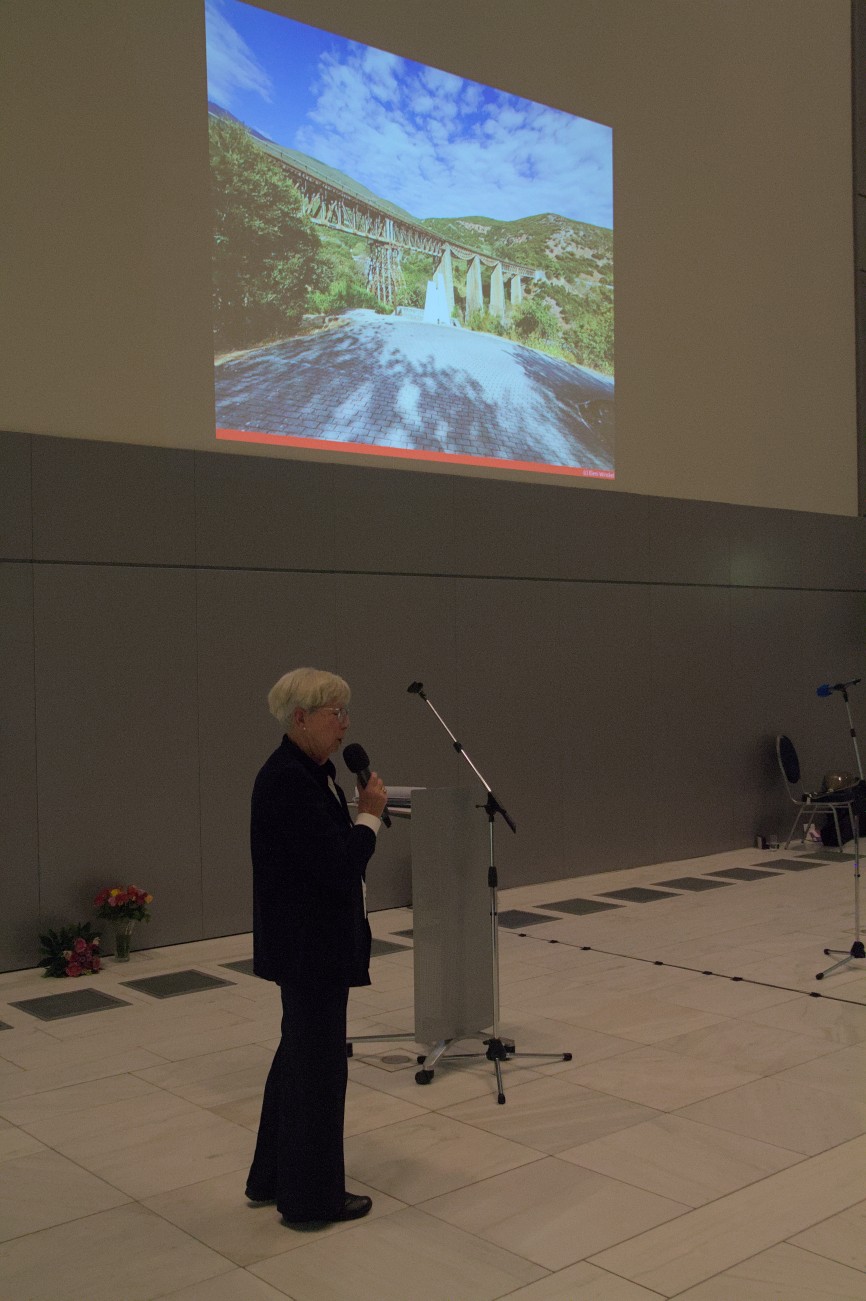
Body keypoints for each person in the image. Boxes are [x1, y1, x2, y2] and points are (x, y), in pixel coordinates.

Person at [245, 667, 387, 1224]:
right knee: (318, 1074)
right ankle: (311, 1200)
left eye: (346, 713)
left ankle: (272, 1176)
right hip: (310, 950)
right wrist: (369, 819)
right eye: (336, 714)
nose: (345, 725)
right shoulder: (289, 780)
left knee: (297, 1062)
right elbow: (337, 865)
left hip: (310, 946)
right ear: (301, 718)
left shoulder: (309, 772)